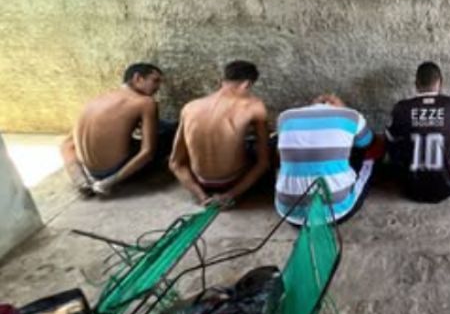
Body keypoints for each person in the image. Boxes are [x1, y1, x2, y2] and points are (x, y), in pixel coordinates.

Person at [60, 63, 173, 196]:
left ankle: (82, 182)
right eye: (155, 81)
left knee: (161, 124)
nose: (158, 87)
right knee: (174, 131)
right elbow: (147, 152)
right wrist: (109, 182)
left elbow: (66, 145)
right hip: (114, 171)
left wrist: (80, 178)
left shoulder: (99, 99)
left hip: (92, 172)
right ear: (138, 78)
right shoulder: (146, 102)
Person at [169, 61, 270, 208]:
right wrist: (229, 195)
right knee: (268, 149)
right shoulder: (255, 107)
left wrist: (201, 196)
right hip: (232, 182)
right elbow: (263, 164)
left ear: (222, 80)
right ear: (247, 84)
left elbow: (175, 163)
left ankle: (202, 195)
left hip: (199, 181)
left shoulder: (190, 107)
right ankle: (234, 194)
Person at [275, 94, 382, 224]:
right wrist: (345, 111)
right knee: (373, 151)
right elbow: (368, 143)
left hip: (289, 213)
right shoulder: (351, 116)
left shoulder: (285, 117)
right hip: (335, 214)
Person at [385, 62, 450, 203]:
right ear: (440, 82)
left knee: (392, 139)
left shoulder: (401, 108)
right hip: (447, 186)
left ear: (416, 84)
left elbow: (390, 141)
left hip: (409, 187)